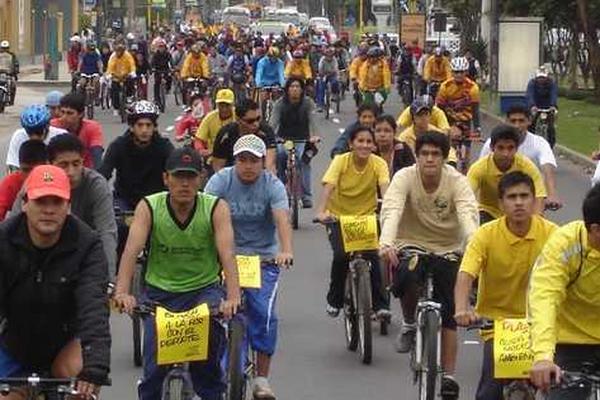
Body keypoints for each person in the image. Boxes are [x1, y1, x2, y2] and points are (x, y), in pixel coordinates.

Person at [113, 147, 241, 400]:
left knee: (208, 373)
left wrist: (233, 297)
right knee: (152, 375)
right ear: (165, 179)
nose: (185, 183)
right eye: (178, 176)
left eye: (191, 177)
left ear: (201, 178)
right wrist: (122, 292)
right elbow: (131, 251)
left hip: (203, 291)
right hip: (160, 294)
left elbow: (227, 254)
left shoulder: (215, 207)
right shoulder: (149, 207)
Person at [379, 132, 479, 399]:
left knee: (450, 313)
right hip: (410, 243)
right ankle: (410, 322)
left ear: (444, 158)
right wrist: (387, 242)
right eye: (424, 153)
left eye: (436, 154)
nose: (430, 159)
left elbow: (469, 214)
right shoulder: (404, 178)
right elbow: (391, 210)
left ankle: (448, 376)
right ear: (417, 156)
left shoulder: (457, 181)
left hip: (449, 248)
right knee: (405, 276)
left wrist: (474, 246)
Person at [0, 165, 110, 398]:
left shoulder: (88, 245)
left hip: (67, 341)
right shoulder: (3, 241)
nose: (48, 210)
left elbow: (93, 308)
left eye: (57, 202)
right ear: (25, 204)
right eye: (41, 201)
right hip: (16, 343)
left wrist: (95, 367)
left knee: (81, 389)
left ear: (68, 207)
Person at [454, 172, 557, 400]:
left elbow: (566, 275)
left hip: (541, 325)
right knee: (489, 392)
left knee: (561, 388)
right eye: (512, 197)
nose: (519, 202)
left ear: (534, 200)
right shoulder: (485, 234)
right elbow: (466, 274)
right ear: (500, 203)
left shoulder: (552, 234)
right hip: (496, 326)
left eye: (524, 196)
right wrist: (462, 309)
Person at [205, 135, 292, 400]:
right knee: (213, 313)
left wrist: (285, 250)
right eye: (242, 160)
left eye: (254, 160)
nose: (248, 166)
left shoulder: (272, 185)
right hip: (224, 256)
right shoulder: (221, 180)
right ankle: (214, 368)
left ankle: (262, 379)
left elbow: (281, 220)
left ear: (263, 162)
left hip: (262, 258)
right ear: (235, 161)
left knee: (263, 314)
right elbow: (203, 214)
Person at [528, 184, 600, 399]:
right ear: (595, 230)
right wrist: (542, 356)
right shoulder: (565, 243)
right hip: (570, 342)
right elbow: (545, 297)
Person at [11, 134, 118, 278]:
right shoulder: (34, 183)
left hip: (83, 252)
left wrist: (108, 280)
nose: (71, 172)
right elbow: (12, 227)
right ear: (49, 164)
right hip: (42, 250)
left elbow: (106, 232)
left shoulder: (96, 185)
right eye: (63, 165)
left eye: (76, 164)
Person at [315, 125, 391, 318]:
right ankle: (335, 299)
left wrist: (389, 214)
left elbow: (386, 190)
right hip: (339, 218)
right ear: (351, 144)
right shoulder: (341, 161)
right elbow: (329, 186)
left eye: (368, 142)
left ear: (374, 146)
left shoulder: (378, 164)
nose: (364, 145)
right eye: (360, 141)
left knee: (374, 256)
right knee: (341, 256)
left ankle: (381, 305)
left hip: (367, 217)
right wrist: (322, 211)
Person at [479, 103, 561, 210]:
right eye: (513, 121)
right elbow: (480, 172)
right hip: (498, 199)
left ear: (529, 121)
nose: (517, 125)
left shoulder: (540, 143)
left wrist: (552, 194)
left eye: (521, 121)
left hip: (529, 198)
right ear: (506, 122)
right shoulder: (493, 143)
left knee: (537, 224)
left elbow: (547, 166)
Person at [99, 100, 174, 212]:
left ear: (154, 127)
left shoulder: (164, 146)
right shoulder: (118, 145)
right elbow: (104, 174)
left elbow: (175, 172)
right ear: (131, 127)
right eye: (140, 125)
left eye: (148, 125)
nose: (144, 130)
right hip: (125, 201)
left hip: (157, 201)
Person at [467, 124, 547, 224]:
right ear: (492, 148)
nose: (505, 154)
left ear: (517, 148)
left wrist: (537, 223)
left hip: (518, 212)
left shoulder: (527, 167)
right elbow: (466, 196)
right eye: (501, 148)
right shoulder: (479, 168)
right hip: (489, 213)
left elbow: (539, 196)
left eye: (510, 148)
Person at [269, 77, 318, 208]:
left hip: (303, 139)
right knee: (279, 157)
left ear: (302, 90)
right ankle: (280, 188)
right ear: (287, 89)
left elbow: (313, 121)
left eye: (297, 87)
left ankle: (306, 196)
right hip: (284, 139)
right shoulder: (280, 103)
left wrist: (314, 136)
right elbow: (273, 123)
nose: (295, 89)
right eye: (292, 87)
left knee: (303, 161)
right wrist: (270, 135)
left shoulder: (308, 103)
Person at [436, 56, 481, 167]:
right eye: (456, 72)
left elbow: (475, 109)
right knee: (451, 155)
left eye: (461, 72)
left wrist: (477, 128)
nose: (459, 75)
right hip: (449, 120)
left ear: (466, 72)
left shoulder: (473, 88)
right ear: (452, 72)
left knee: (466, 158)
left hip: (466, 122)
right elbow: (439, 108)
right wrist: (441, 126)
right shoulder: (445, 87)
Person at [211, 98, 276, 173]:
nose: (256, 124)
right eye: (250, 121)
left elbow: (270, 165)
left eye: (258, 119)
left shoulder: (266, 131)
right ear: (238, 119)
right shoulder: (225, 134)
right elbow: (218, 167)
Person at [50, 92, 104, 169]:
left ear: (81, 114)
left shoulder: (92, 127)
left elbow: (96, 152)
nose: (64, 117)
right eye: (62, 112)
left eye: (70, 113)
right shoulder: (52, 126)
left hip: (84, 172)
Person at [6, 105, 67, 172]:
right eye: (30, 132)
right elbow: (12, 166)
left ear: (48, 126)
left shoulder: (61, 135)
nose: (34, 137)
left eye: (38, 132)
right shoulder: (18, 136)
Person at [397, 99, 458, 166]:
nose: (423, 118)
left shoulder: (436, 133)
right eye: (420, 115)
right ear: (413, 117)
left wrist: (450, 162)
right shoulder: (404, 137)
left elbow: (449, 151)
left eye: (426, 114)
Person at [0, 140, 47, 220]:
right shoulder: (11, 182)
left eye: (36, 170)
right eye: (26, 170)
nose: (30, 175)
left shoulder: (53, 179)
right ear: (19, 168)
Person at [195, 89, 236, 157]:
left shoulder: (239, 116)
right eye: (221, 105)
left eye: (227, 105)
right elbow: (198, 139)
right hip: (214, 155)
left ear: (233, 104)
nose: (224, 109)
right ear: (216, 105)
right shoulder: (209, 117)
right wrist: (201, 150)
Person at [526, 65, 558, 148]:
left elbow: (553, 94)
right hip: (535, 106)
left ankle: (551, 145)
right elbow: (530, 95)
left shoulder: (551, 83)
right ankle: (530, 142)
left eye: (543, 78)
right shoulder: (532, 83)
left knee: (551, 126)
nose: (541, 80)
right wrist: (532, 106)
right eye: (540, 78)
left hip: (548, 106)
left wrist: (553, 105)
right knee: (531, 123)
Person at [106, 40, 137, 116]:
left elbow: (132, 64)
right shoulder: (113, 56)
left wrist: (132, 72)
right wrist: (109, 74)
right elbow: (110, 66)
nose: (118, 53)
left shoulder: (128, 55)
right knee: (114, 90)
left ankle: (129, 97)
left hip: (126, 75)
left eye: (120, 51)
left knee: (130, 81)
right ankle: (116, 107)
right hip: (116, 76)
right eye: (117, 51)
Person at [149, 38, 172, 103]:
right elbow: (152, 62)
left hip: (165, 69)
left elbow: (171, 61)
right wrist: (152, 68)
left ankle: (168, 89)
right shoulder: (156, 54)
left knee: (169, 78)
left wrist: (172, 68)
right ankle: (156, 98)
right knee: (156, 83)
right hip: (158, 70)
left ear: (165, 47)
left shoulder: (168, 54)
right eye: (160, 47)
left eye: (162, 47)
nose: (161, 48)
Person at [0, 40, 19, 105]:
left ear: (8, 48)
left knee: (13, 84)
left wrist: (16, 70)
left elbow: (16, 63)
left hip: (9, 73)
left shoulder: (12, 55)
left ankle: (11, 100)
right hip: (0, 72)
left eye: (6, 48)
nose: (4, 49)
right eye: (3, 48)